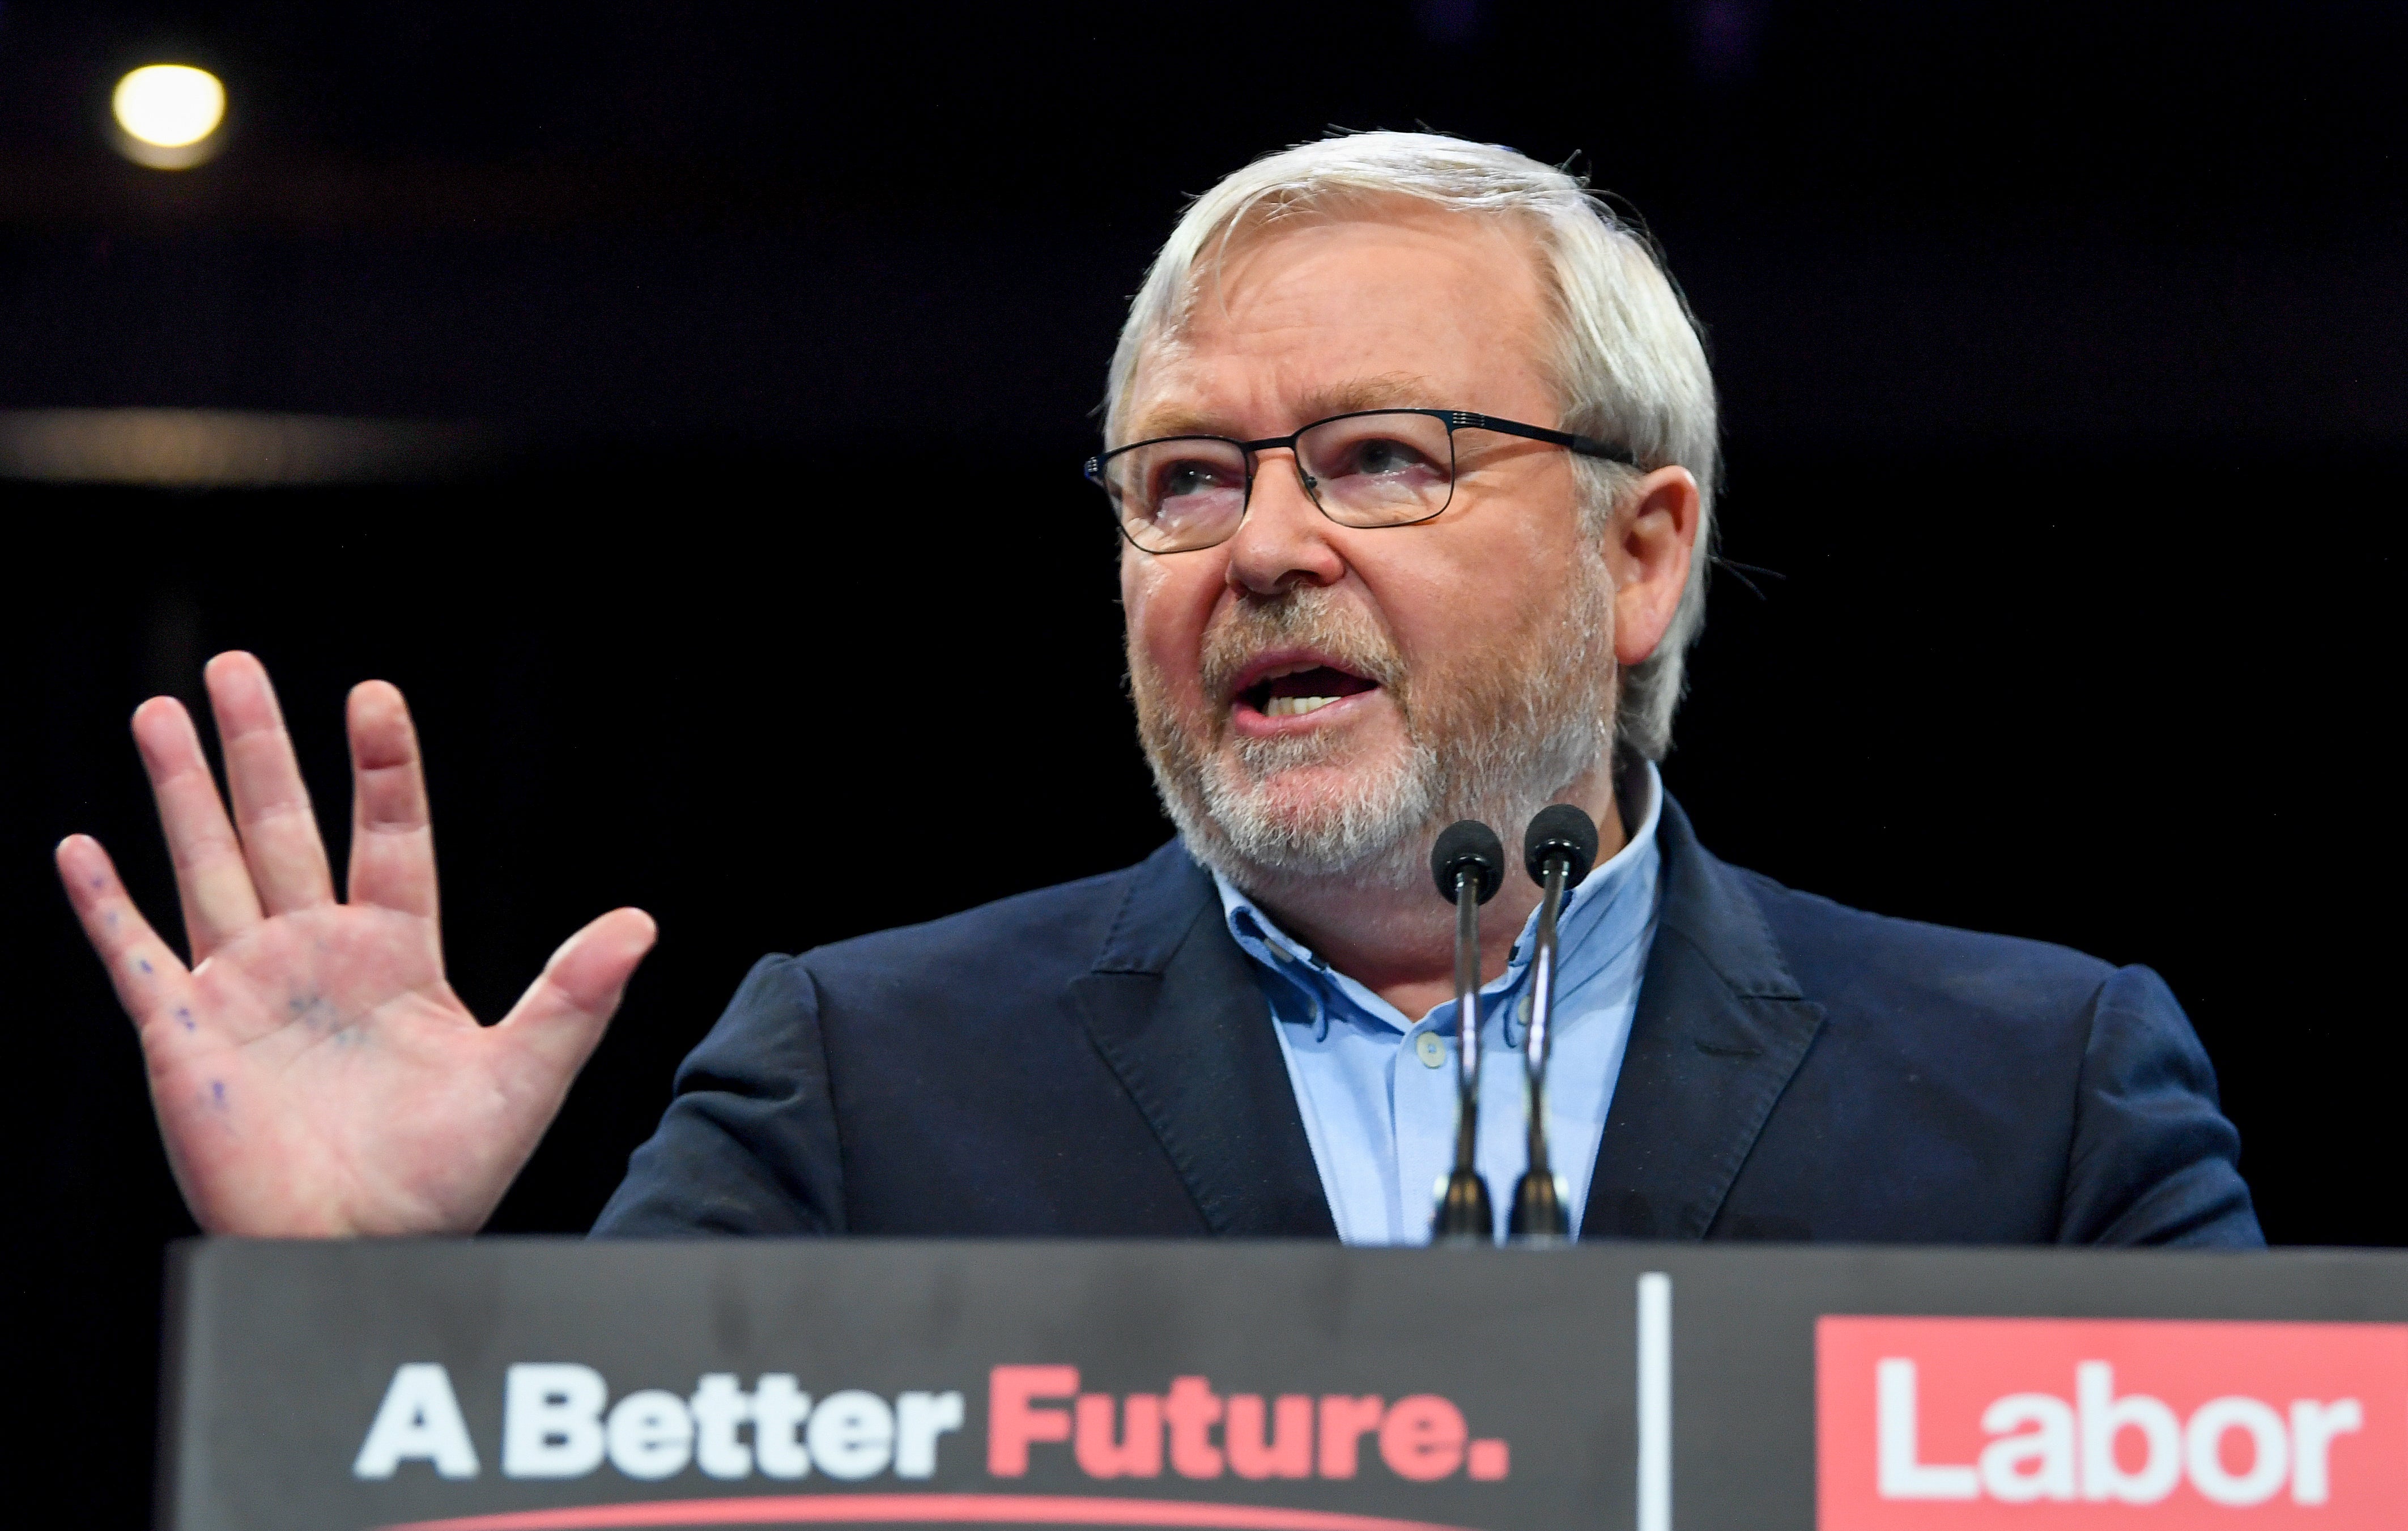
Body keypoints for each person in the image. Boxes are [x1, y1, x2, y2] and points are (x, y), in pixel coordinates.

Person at [53, 132, 2260, 1247]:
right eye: (1186, 479)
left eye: (1384, 455)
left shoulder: (2042, 1096)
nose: (1267, 547)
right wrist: (363, 1319)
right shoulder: (854, 1084)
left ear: (1640, 553)